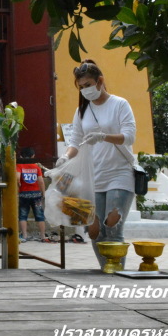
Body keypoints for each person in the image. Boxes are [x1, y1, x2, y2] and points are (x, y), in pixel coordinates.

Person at [55, 60, 137, 269]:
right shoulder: (82, 111)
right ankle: (105, 269)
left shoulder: (120, 104)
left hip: (120, 174)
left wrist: (103, 137)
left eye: (88, 85)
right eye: (81, 87)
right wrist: (65, 157)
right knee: (94, 230)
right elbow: (75, 142)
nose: (85, 90)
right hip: (93, 177)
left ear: (100, 81)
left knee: (113, 226)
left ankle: (116, 272)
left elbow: (129, 137)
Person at [17, 148, 49, 243]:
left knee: (23, 215)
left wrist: (18, 185)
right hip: (36, 194)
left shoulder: (19, 166)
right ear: (33, 156)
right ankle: (43, 236)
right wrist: (43, 193)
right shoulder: (36, 167)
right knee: (40, 215)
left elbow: (17, 178)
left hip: (24, 195)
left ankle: (25, 235)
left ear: (21, 156)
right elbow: (41, 181)